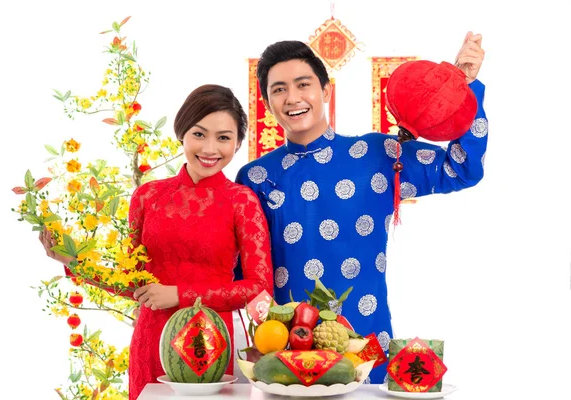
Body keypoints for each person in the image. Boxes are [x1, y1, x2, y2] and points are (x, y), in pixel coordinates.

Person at [235, 32, 487, 382]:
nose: (292, 98)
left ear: (325, 91)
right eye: (279, 89)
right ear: (266, 102)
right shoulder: (255, 176)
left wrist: (465, 86)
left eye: (303, 84)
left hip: (368, 350)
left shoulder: (377, 155)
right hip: (285, 357)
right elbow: (242, 274)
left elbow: (459, 169)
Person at [40, 84, 274, 399]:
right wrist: (74, 262)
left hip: (211, 347)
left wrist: (179, 295)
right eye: (199, 134)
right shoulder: (147, 196)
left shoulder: (241, 201)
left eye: (224, 138)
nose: (210, 148)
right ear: (182, 133)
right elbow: (132, 281)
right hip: (152, 341)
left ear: (238, 143)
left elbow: (258, 288)